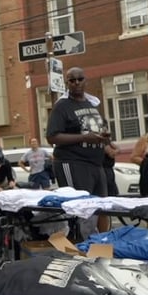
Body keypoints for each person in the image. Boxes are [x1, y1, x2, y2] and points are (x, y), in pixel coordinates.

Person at [46, 67, 110, 235]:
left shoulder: (92, 103)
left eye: (79, 79)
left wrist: (107, 142)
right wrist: (84, 138)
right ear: (67, 83)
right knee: (81, 208)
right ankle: (80, 247)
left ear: (85, 80)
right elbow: (52, 137)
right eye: (72, 80)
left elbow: (97, 129)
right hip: (73, 162)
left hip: (96, 164)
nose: (76, 83)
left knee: (101, 207)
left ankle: (103, 245)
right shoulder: (62, 106)